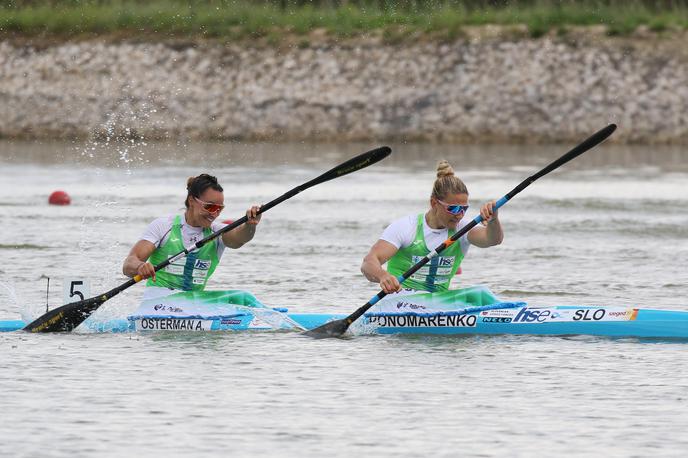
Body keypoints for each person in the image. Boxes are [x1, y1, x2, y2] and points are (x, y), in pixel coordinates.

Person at [361, 160, 503, 295]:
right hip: (400, 300)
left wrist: (494, 219)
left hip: (437, 302)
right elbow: (369, 262)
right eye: (453, 209)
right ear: (434, 203)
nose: (459, 215)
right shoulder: (406, 227)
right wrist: (382, 276)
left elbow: (493, 239)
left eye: (464, 209)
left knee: (479, 292)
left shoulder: (463, 229)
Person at [122, 173, 261, 300]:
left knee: (243, 297)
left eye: (220, 209)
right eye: (210, 207)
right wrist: (140, 266)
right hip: (157, 302)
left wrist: (250, 225)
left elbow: (238, 239)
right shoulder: (163, 226)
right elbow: (129, 264)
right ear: (191, 201)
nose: (215, 214)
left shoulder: (217, 232)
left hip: (193, 302)